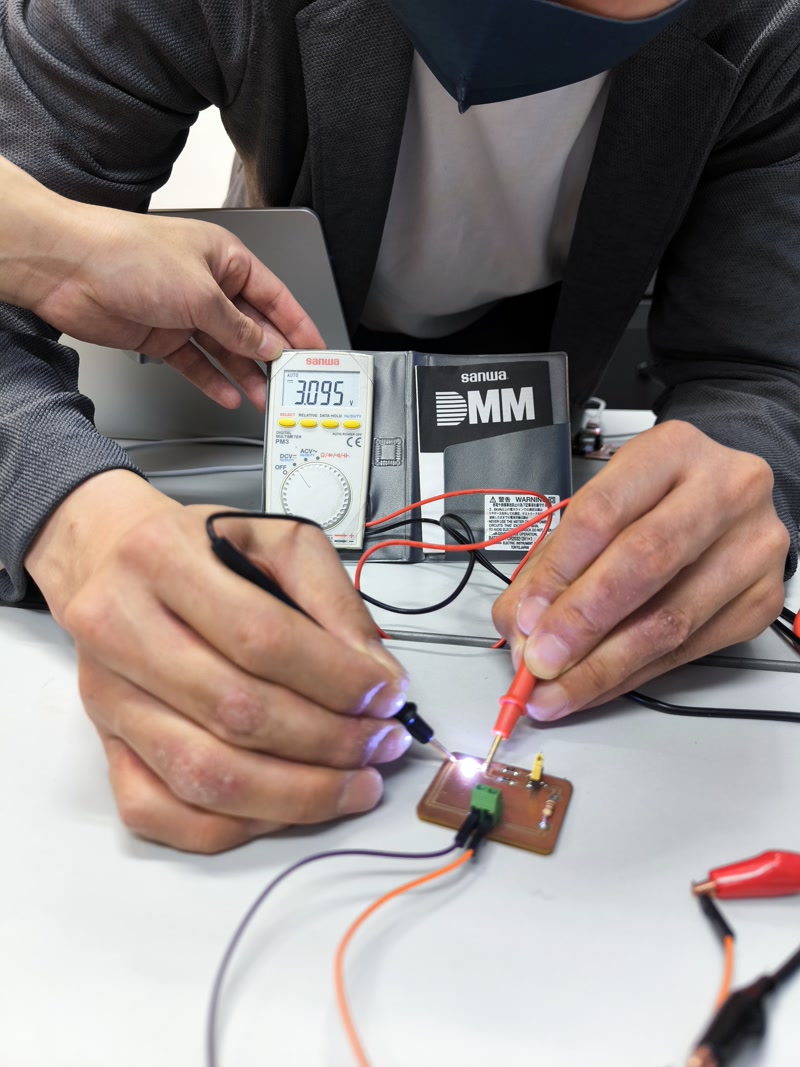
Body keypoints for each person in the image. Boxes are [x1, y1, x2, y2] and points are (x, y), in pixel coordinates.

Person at [0, 0, 797, 853]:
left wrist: (743, 471)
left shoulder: (771, 32)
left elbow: (762, 377)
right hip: (259, 412)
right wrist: (76, 520)